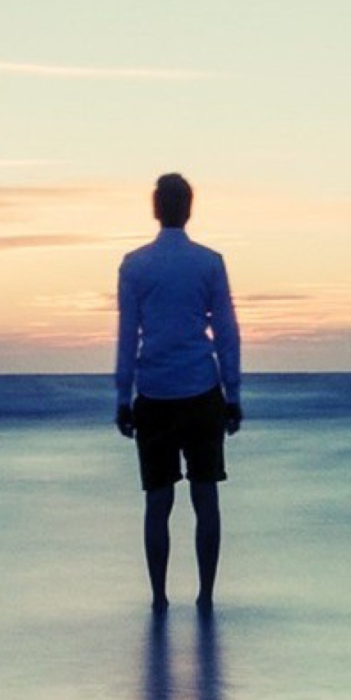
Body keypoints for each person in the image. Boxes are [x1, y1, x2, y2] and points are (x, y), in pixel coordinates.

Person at [114, 173, 242, 612]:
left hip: (154, 391)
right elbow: (226, 332)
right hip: (202, 389)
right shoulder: (209, 263)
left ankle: (159, 597)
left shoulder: (134, 265)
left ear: (156, 208)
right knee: (205, 497)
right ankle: (205, 595)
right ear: (189, 209)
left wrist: (121, 395)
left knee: (159, 501)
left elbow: (128, 335)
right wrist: (233, 392)